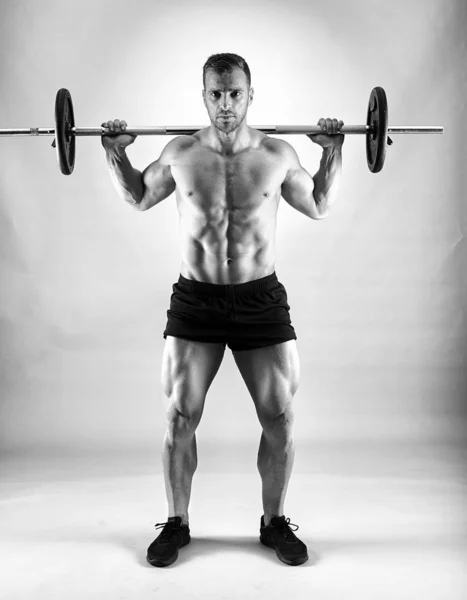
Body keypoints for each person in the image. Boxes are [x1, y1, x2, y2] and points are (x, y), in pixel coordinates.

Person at [102, 53, 344, 567]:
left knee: (279, 415)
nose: (226, 104)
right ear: (204, 95)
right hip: (197, 299)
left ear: (251, 95)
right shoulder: (180, 152)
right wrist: (114, 152)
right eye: (217, 93)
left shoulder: (277, 154)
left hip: (260, 298)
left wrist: (334, 151)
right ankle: (177, 523)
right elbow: (140, 197)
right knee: (180, 415)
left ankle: (274, 522)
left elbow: (319, 203)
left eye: (236, 94)